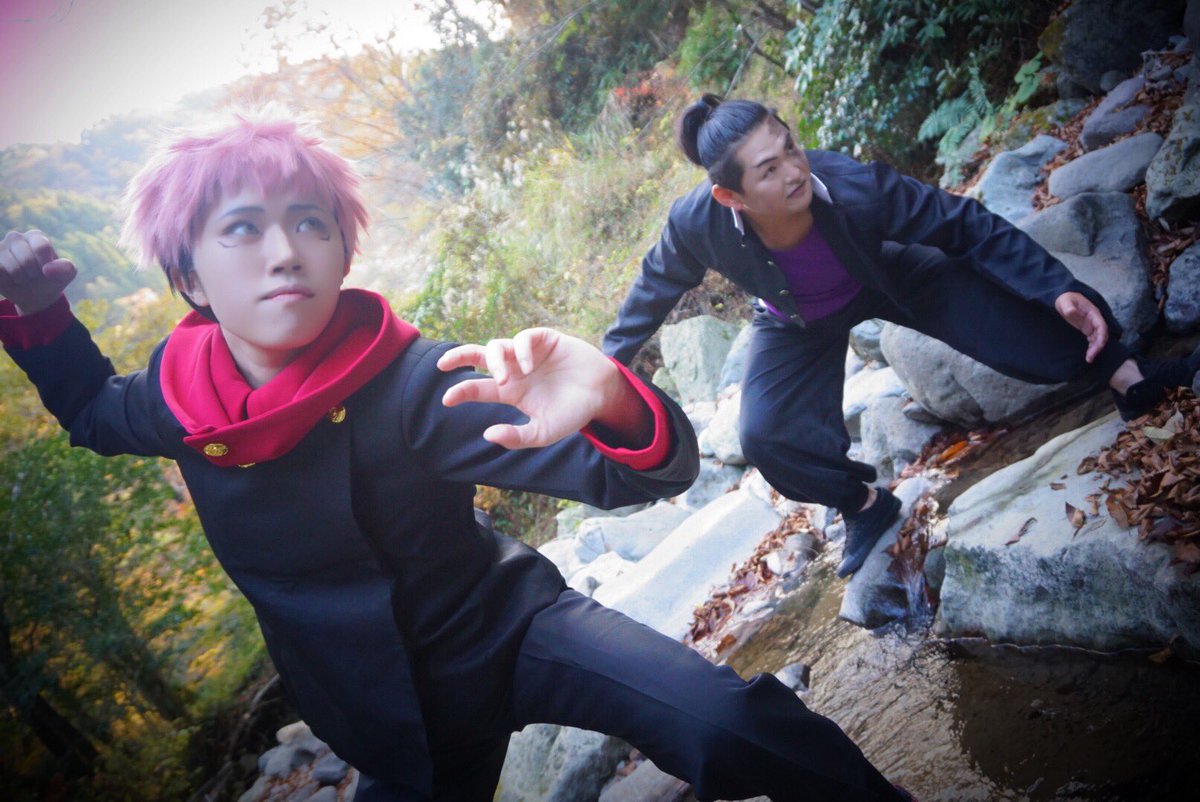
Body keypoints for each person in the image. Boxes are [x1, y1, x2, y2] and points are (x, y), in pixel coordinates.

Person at [0, 109, 916, 802]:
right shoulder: (176, 400)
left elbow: (644, 474)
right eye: (241, 227)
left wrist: (610, 397)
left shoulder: (412, 381)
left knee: (727, 723)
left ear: (342, 251)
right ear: (189, 276)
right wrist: (41, 317)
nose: (285, 251)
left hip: (513, 632)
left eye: (310, 222)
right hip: (382, 712)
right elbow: (89, 410)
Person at [603, 94, 1200, 578]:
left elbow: (964, 224)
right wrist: (608, 368)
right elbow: (654, 286)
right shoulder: (696, 224)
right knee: (763, 435)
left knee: (1022, 334)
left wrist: (1056, 287)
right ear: (730, 196)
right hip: (794, 319)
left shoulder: (853, 186)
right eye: (769, 169)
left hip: (885, 276)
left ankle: (1130, 377)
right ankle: (865, 506)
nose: (794, 171)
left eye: (790, 147)